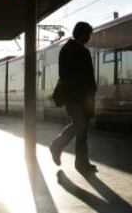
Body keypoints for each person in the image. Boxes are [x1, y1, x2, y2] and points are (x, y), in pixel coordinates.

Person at [50, 22, 97, 174]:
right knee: (81, 128)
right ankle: (60, 147)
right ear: (82, 34)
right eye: (88, 34)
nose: (89, 37)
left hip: (82, 96)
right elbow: (68, 76)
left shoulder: (72, 49)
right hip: (77, 97)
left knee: (81, 129)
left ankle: (81, 162)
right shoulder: (73, 50)